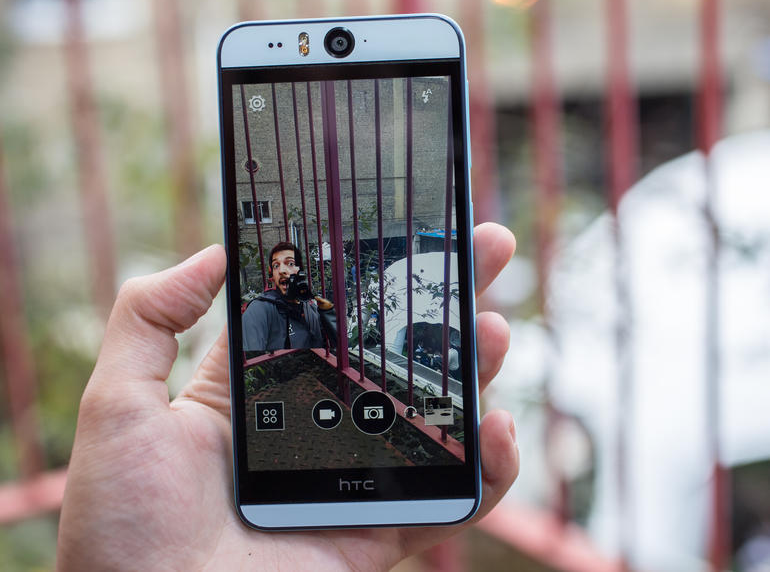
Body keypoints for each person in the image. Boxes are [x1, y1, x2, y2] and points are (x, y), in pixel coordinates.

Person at [56, 223, 519, 571]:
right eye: (279, 265)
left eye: (292, 265)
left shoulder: (310, 307)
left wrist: (325, 308)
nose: (286, 272)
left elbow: (338, 346)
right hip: (280, 397)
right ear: (271, 273)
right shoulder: (259, 310)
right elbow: (253, 359)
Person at [242, 242, 334, 351]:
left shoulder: (310, 307)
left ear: (302, 271)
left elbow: (336, 347)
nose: (281, 271)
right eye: (276, 266)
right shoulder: (259, 310)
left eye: (290, 263)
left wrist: (328, 313)